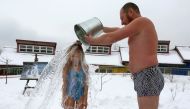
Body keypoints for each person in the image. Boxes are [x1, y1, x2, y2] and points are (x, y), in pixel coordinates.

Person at [85, 2, 164, 109]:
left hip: (147, 75)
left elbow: (111, 38)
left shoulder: (142, 21)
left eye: (122, 18)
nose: (122, 22)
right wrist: (101, 29)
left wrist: (92, 41)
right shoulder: (139, 27)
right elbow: (117, 30)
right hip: (145, 76)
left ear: (131, 12)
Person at [62, 40, 89, 109]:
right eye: (73, 56)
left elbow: (86, 84)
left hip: (81, 94)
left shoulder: (85, 67)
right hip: (69, 94)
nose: (75, 58)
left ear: (81, 55)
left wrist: (85, 99)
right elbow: (65, 84)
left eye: (77, 55)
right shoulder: (67, 67)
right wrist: (63, 97)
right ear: (70, 55)